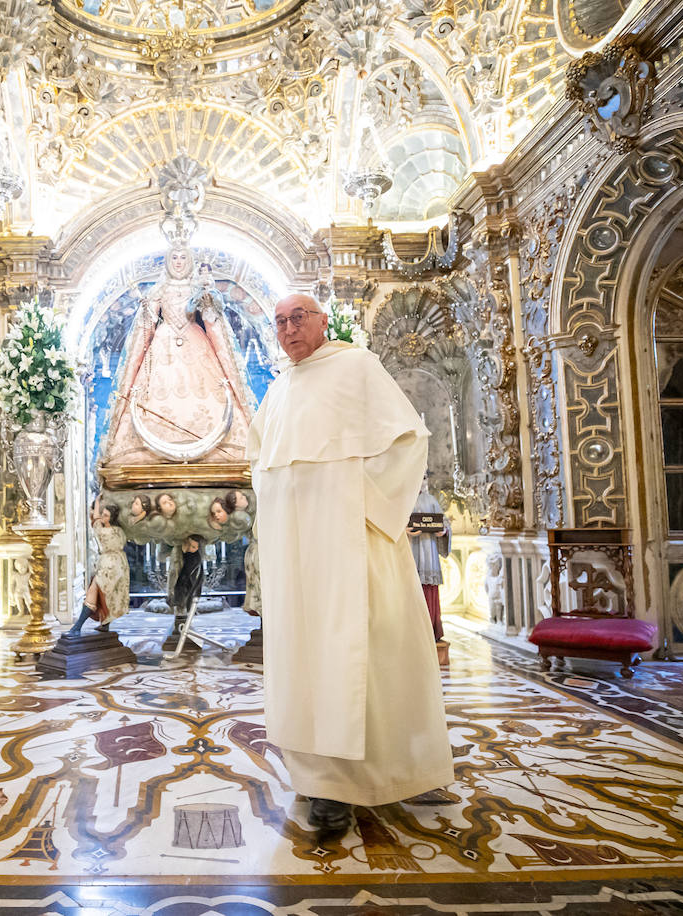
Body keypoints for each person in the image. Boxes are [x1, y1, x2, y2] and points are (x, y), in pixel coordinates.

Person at [248, 293, 453, 831]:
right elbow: (260, 464)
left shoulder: (356, 366)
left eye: (299, 318)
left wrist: (363, 505)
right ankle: (317, 778)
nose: (289, 329)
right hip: (296, 556)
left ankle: (385, 770)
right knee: (305, 658)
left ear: (321, 323)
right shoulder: (278, 389)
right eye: (280, 322)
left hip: (353, 543)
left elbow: (408, 440)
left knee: (366, 650)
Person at [102, 243, 255, 468]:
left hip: (195, 340)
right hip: (163, 345)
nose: (179, 262)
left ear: (190, 261)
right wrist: (146, 313)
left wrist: (208, 298)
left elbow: (212, 320)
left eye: (183, 257)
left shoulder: (198, 287)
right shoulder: (159, 290)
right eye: (174, 257)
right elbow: (146, 327)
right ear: (168, 261)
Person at [65, 502, 130, 638]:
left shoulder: (105, 531)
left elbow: (95, 519)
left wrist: (98, 500)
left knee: (95, 591)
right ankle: (104, 625)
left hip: (109, 566)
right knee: (106, 596)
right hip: (119, 564)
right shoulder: (120, 531)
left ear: (111, 518)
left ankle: (78, 626)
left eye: (105, 515)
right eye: (103, 514)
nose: (102, 517)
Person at [407, 472, 451, 642]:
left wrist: (444, 532)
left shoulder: (431, 500)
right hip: (411, 550)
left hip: (429, 551)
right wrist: (404, 531)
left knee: (428, 590)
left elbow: (444, 523)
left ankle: (431, 631)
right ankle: (412, 635)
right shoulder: (403, 499)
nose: (422, 481)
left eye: (424, 477)